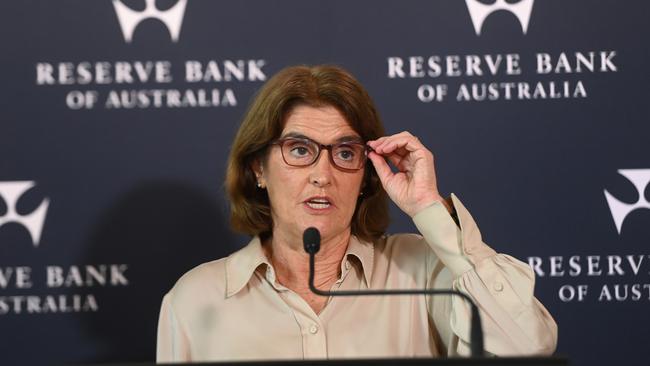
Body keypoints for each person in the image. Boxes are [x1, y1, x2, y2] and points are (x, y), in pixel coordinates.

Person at [156, 65, 557, 362]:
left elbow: (526, 346)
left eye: (345, 153)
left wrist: (429, 208)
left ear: (366, 175)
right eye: (299, 150)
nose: (323, 175)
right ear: (258, 168)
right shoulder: (195, 298)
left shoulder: (421, 270)